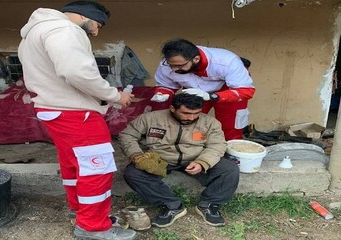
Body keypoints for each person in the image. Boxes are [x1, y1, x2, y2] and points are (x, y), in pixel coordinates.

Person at [18, 1, 136, 239]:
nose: (96, 32)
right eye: (98, 25)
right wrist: (115, 95)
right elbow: (77, 73)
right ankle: (93, 226)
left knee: (74, 165)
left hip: (55, 110)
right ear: (86, 17)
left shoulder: (34, 32)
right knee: (97, 168)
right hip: (75, 113)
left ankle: (82, 212)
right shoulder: (65, 29)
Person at [119, 93, 240, 228]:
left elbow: (217, 145)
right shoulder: (150, 118)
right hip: (161, 159)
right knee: (132, 173)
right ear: (172, 108)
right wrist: (137, 155)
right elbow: (127, 135)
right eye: (186, 113)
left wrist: (203, 162)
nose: (192, 117)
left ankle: (209, 204)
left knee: (230, 169)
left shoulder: (210, 123)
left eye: (196, 113)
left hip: (196, 158)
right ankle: (172, 205)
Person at [151, 38, 255, 141]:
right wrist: (162, 93)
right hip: (193, 90)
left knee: (231, 124)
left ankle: (230, 150)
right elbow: (166, 85)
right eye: (171, 65)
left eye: (179, 66)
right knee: (193, 121)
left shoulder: (226, 61)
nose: (174, 69)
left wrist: (211, 97)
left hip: (229, 89)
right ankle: (197, 146)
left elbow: (246, 91)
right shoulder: (167, 65)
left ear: (196, 59)